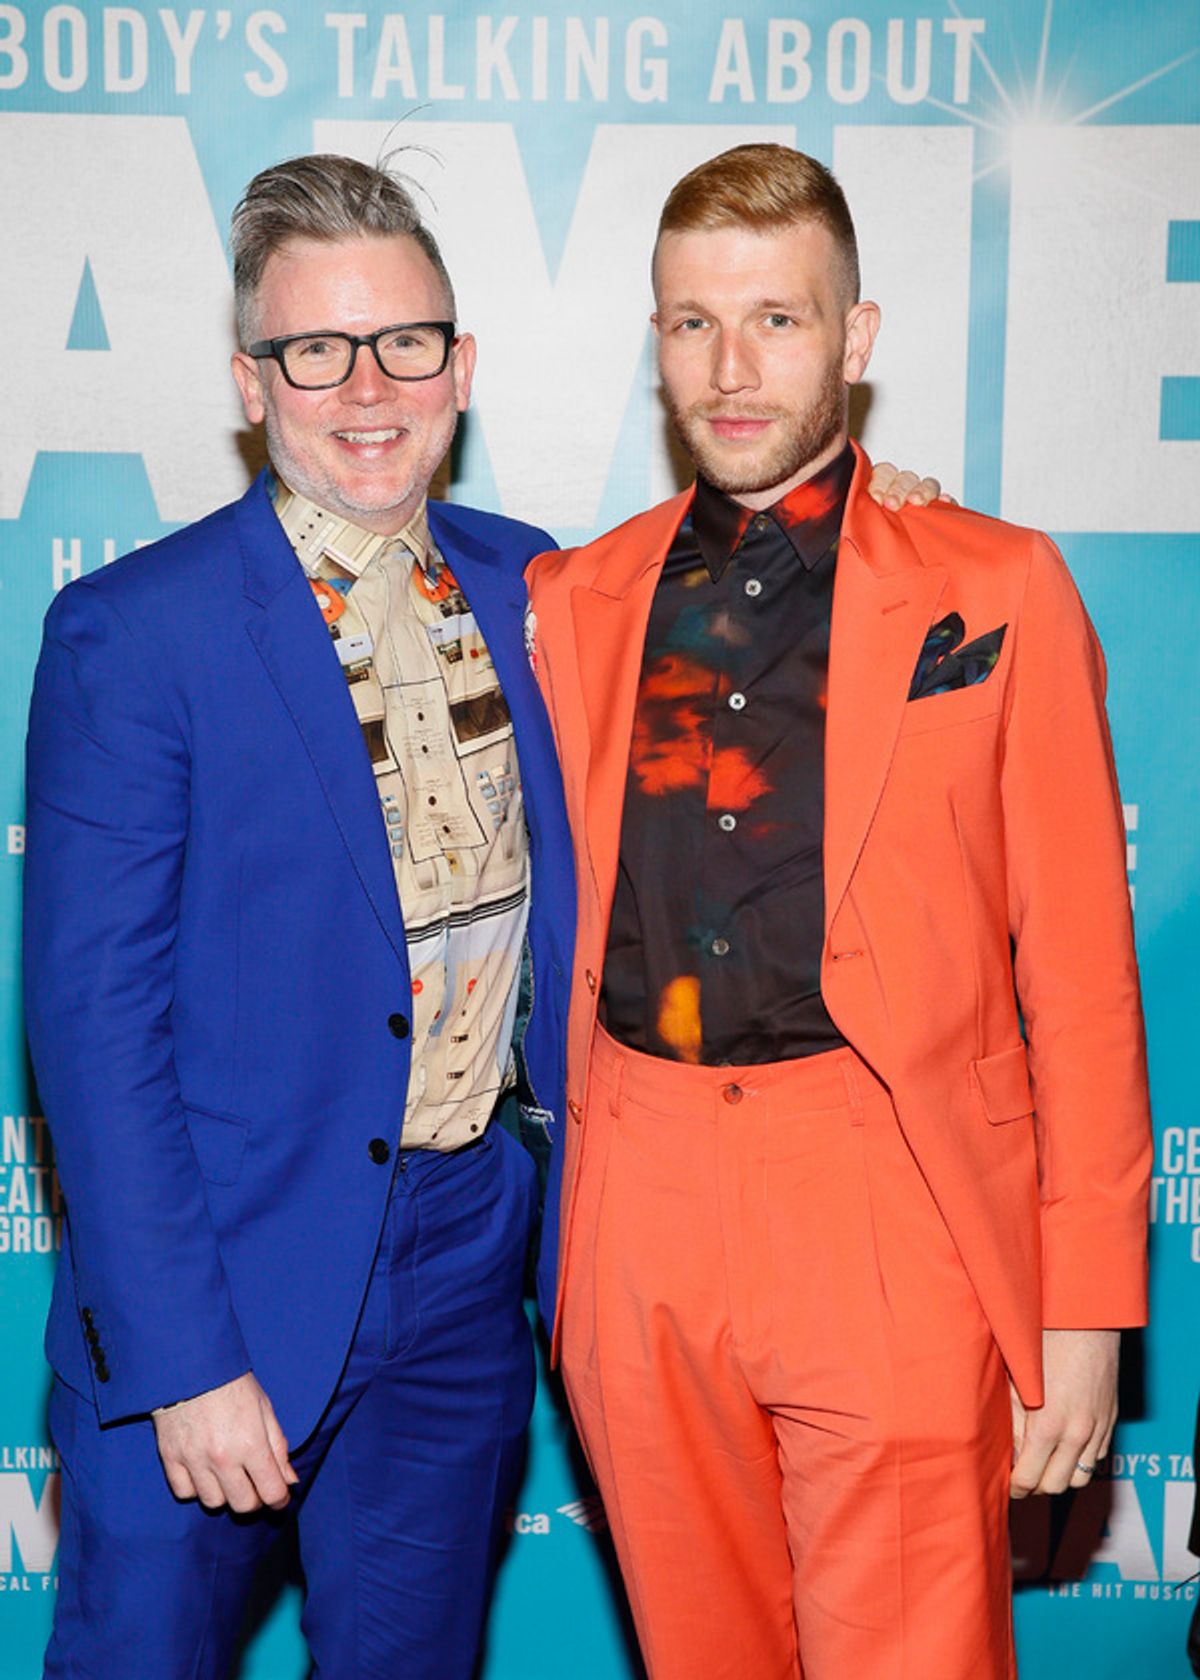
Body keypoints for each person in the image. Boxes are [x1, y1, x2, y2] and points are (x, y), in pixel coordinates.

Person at [526, 142, 1152, 1680]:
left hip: (887, 1187)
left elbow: (1079, 974)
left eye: (778, 320)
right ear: (656, 338)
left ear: (856, 341)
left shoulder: (998, 588)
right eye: (692, 323)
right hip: (641, 1206)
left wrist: (1083, 1317)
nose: (731, 369)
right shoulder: (568, 602)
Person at [22, 152, 578, 1680]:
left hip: (466, 1263)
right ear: (250, 380)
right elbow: (91, 1034)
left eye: (403, 342)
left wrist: (887, 494)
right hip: (216, 1276)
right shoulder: (132, 633)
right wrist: (185, 1363)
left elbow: (754, 589)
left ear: (458, 363)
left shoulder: (538, 589)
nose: (365, 386)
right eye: (314, 349)